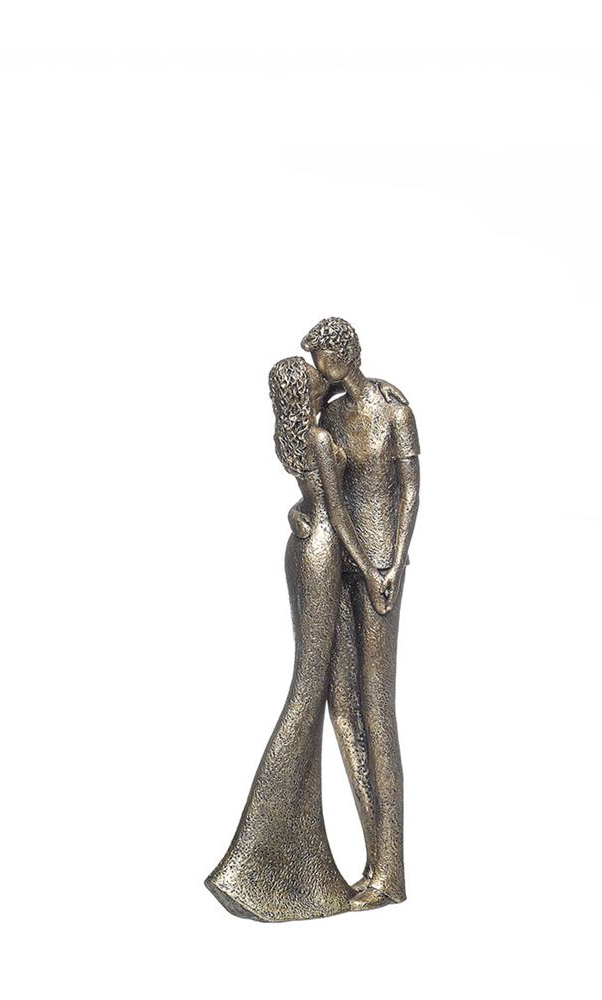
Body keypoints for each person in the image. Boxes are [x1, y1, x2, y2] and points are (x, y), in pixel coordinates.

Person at [205, 357, 388, 922]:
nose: (322, 381)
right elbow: (336, 510)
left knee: (318, 694)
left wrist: (299, 512)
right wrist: (372, 570)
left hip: (306, 549)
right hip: (327, 550)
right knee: (309, 696)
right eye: (313, 380)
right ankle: (255, 858)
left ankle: (291, 857)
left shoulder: (292, 437)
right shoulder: (320, 437)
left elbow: (310, 502)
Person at [294, 317, 421, 911]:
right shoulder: (329, 418)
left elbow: (410, 489)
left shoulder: (393, 408)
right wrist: (300, 515)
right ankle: (375, 861)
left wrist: (390, 561)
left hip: (383, 568)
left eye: (321, 357)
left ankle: (392, 871)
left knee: (377, 707)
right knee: (340, 706)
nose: (317, 369)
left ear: (343, 353)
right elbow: (326, 498)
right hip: (344, 565)